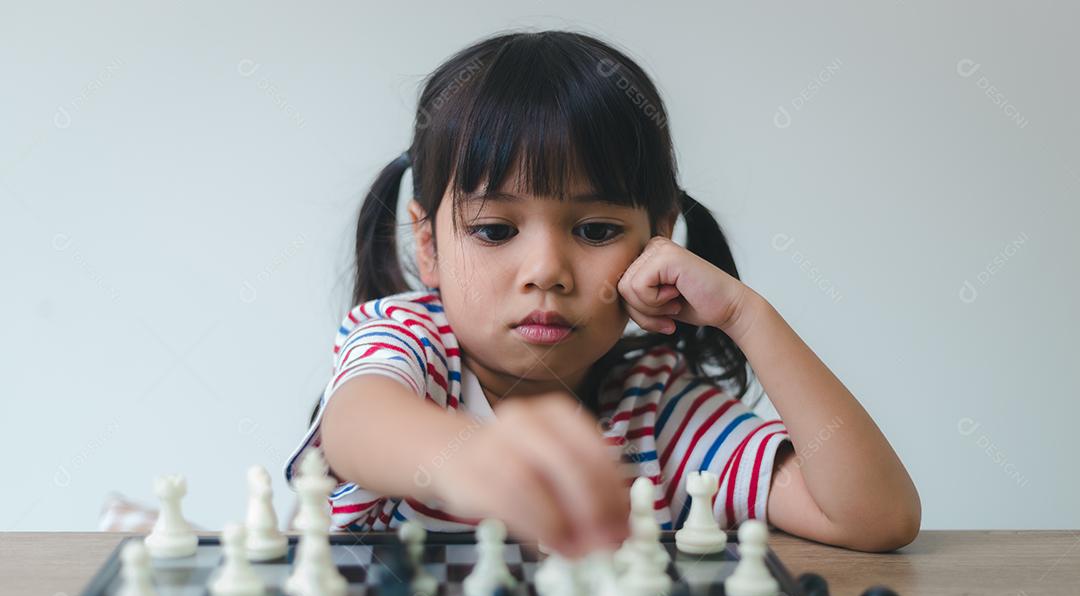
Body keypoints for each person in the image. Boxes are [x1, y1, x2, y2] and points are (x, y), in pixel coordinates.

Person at [283, 30, 920, 556]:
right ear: (429, 247)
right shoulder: (411, 344)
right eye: (496, 230)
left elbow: (875, 517)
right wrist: (474, 458)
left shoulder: (653, 404)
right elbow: (355, 426)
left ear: (657, 242)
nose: (546, 271)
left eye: (595, 230)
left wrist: (746, 315)